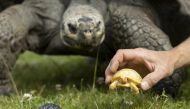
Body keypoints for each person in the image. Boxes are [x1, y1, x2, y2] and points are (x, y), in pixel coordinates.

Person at [105, 37, 190, 91]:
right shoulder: (119, 79)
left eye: (124, 78)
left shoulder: (130, 82)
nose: (124, 80)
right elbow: (113, 84)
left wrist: (172, 58)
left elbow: (134, 87)